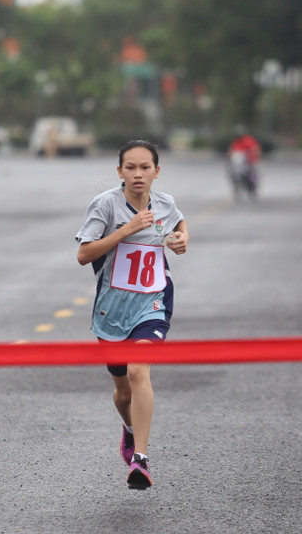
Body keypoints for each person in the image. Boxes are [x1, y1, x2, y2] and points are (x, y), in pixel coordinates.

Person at [75, 140, 189, 490]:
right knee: (123, 393)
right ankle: (128, 427)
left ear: (157, 171)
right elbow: (83, 254)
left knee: (140, 369)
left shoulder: (165, 203)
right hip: (112, 309)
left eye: (145, 167)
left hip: (152, 302)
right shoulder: (105, 205)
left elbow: (180, 225)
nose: (138, 174)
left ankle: (140, 460)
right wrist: (125, 230)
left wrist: (182, 240)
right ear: (120, 171)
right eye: (130, 167)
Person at [227, 126, 261, 200]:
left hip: (249, 161)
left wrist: (251, 155)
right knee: (231, 171)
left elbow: (254, 149)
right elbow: (231, 150)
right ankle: (236, 187)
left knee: (253, 173)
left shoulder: (248, 140)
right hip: (239, 162)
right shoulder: (236, 142)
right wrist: (229, 156)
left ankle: (253, 188)